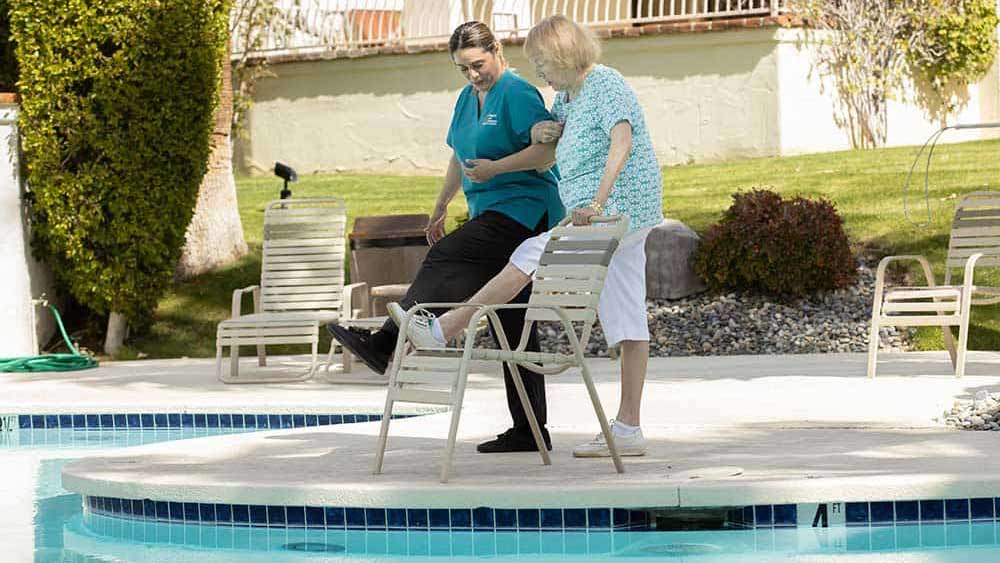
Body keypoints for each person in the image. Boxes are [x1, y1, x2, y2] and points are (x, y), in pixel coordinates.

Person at [389, 14, 663, 458]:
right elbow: (549, 137)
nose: (538, 72)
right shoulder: (569, 97)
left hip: (611, 216)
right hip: (619, 221)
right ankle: (628, 428)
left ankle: (443, 330)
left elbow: (622, 141)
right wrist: (542, 131)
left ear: (563, 55)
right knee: (629, 320)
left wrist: (596, 202)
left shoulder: (605, 84)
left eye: (542, 63)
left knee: (527, 254)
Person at [327, 21, 566, 454]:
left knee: (446, 257)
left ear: (496, 50)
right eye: (463, 69)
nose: (474, 75)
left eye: (478, 64)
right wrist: (440, 205)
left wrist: (496, 169)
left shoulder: (517, 92)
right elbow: (460, 155)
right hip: (491, 212)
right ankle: (531, 430)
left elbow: (546, 152)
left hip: (526, 212)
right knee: (511, 324)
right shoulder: (466, 98)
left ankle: (384, 344)